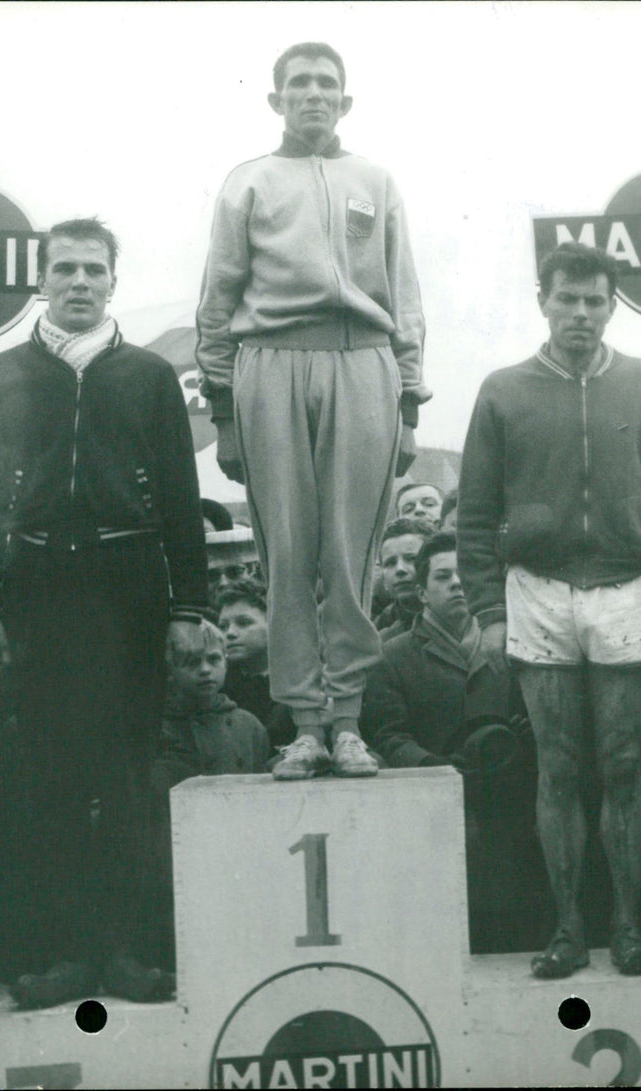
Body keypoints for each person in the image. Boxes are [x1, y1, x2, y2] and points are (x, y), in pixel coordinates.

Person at [0, 217, 209, 1009]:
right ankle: (66, 954)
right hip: (35, 591)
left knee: (127, 776)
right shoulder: (0, 374)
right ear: (42, 280)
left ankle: (126, 953)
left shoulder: (145, 376)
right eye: (63, 268)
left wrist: (187, 606)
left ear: (113, 282)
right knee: (49, 780)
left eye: (92, 270)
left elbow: (178, 497)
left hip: (127, 589)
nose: (78, 282)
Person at [457, 242, 641, 979]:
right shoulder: (503, 389)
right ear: (544, 300)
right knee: (558, 766)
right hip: (536, 586)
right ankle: (568, 929)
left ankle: (628, 927)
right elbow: (474, 515)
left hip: (628, 584)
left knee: (625, 764)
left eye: (595, 301)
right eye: (567, 299)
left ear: (611, 306)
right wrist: (488, 607)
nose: (580, 313)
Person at [196, 41, 430, 780]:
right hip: (271, 362)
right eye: (298, 84)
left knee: (351, 549)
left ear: (345, 100)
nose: (313, 95)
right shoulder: (249, 182)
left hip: (362, 360)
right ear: (276, 100)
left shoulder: (375, 180)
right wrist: (225, 412)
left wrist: (411, 399)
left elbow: (404, 292)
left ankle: (350, 721)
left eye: (327, 84)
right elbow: (218, 296)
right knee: (288, 550)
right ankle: (304, 724)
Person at [360, 533, 543, 952]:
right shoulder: (392, 656)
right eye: (443, 576)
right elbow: (388, 735)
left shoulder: (518, 645)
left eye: (464, 575)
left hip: (513, 816)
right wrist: (432, 767)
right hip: (435, 816)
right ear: (421, 591)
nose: (457, 584)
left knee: (518, 936)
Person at [150, 621, 270, 969]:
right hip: (173, 858)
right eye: (191, 662)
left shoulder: (248, 726)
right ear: (170, 669)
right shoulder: (156, 727)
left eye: (214, 660)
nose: (205, 670)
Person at [217, 578, 295, 750]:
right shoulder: (218, 686)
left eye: (244, 623)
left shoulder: (301, 680)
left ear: (275, 623)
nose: (229, 633)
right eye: (222, 626)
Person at [374, 518, 434, 642]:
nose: (399, 569)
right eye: (390, 563)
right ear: (384, 580)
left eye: (411, 559)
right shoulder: (376, 635)